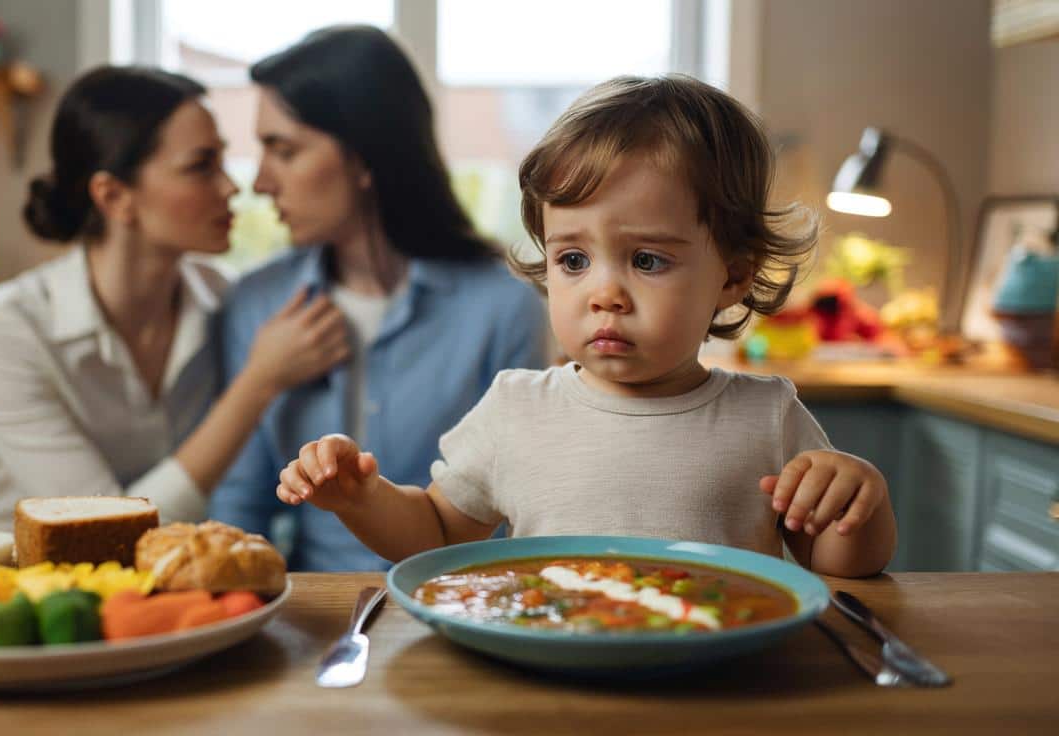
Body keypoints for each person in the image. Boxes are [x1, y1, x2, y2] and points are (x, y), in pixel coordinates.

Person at [273, 75, 898, 578]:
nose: (605, 295)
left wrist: (857, 505)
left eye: (648, 260)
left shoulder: (768, 415)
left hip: (716, 683)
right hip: (550, 675)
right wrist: (361, 498)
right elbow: (433, 533)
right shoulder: (515, 409)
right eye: (572, 260)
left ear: (732, 277)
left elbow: (841, 569)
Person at [207, 26, 549, 571]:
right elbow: (237, 509)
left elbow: (521, 513)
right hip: (312, 614)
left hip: (459, 604)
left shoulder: (504, 308)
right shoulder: (257, 303)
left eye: (284, 150)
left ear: (366, 157)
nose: (261, 183)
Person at [0, 66, 348, 533]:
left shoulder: (223, 299)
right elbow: (104, 528)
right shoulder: (4, 333)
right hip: (6, 588)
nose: (230, 187)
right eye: (201, 166)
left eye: (222, 161)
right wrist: (258, 382)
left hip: (149, 594)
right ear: (115, 196)